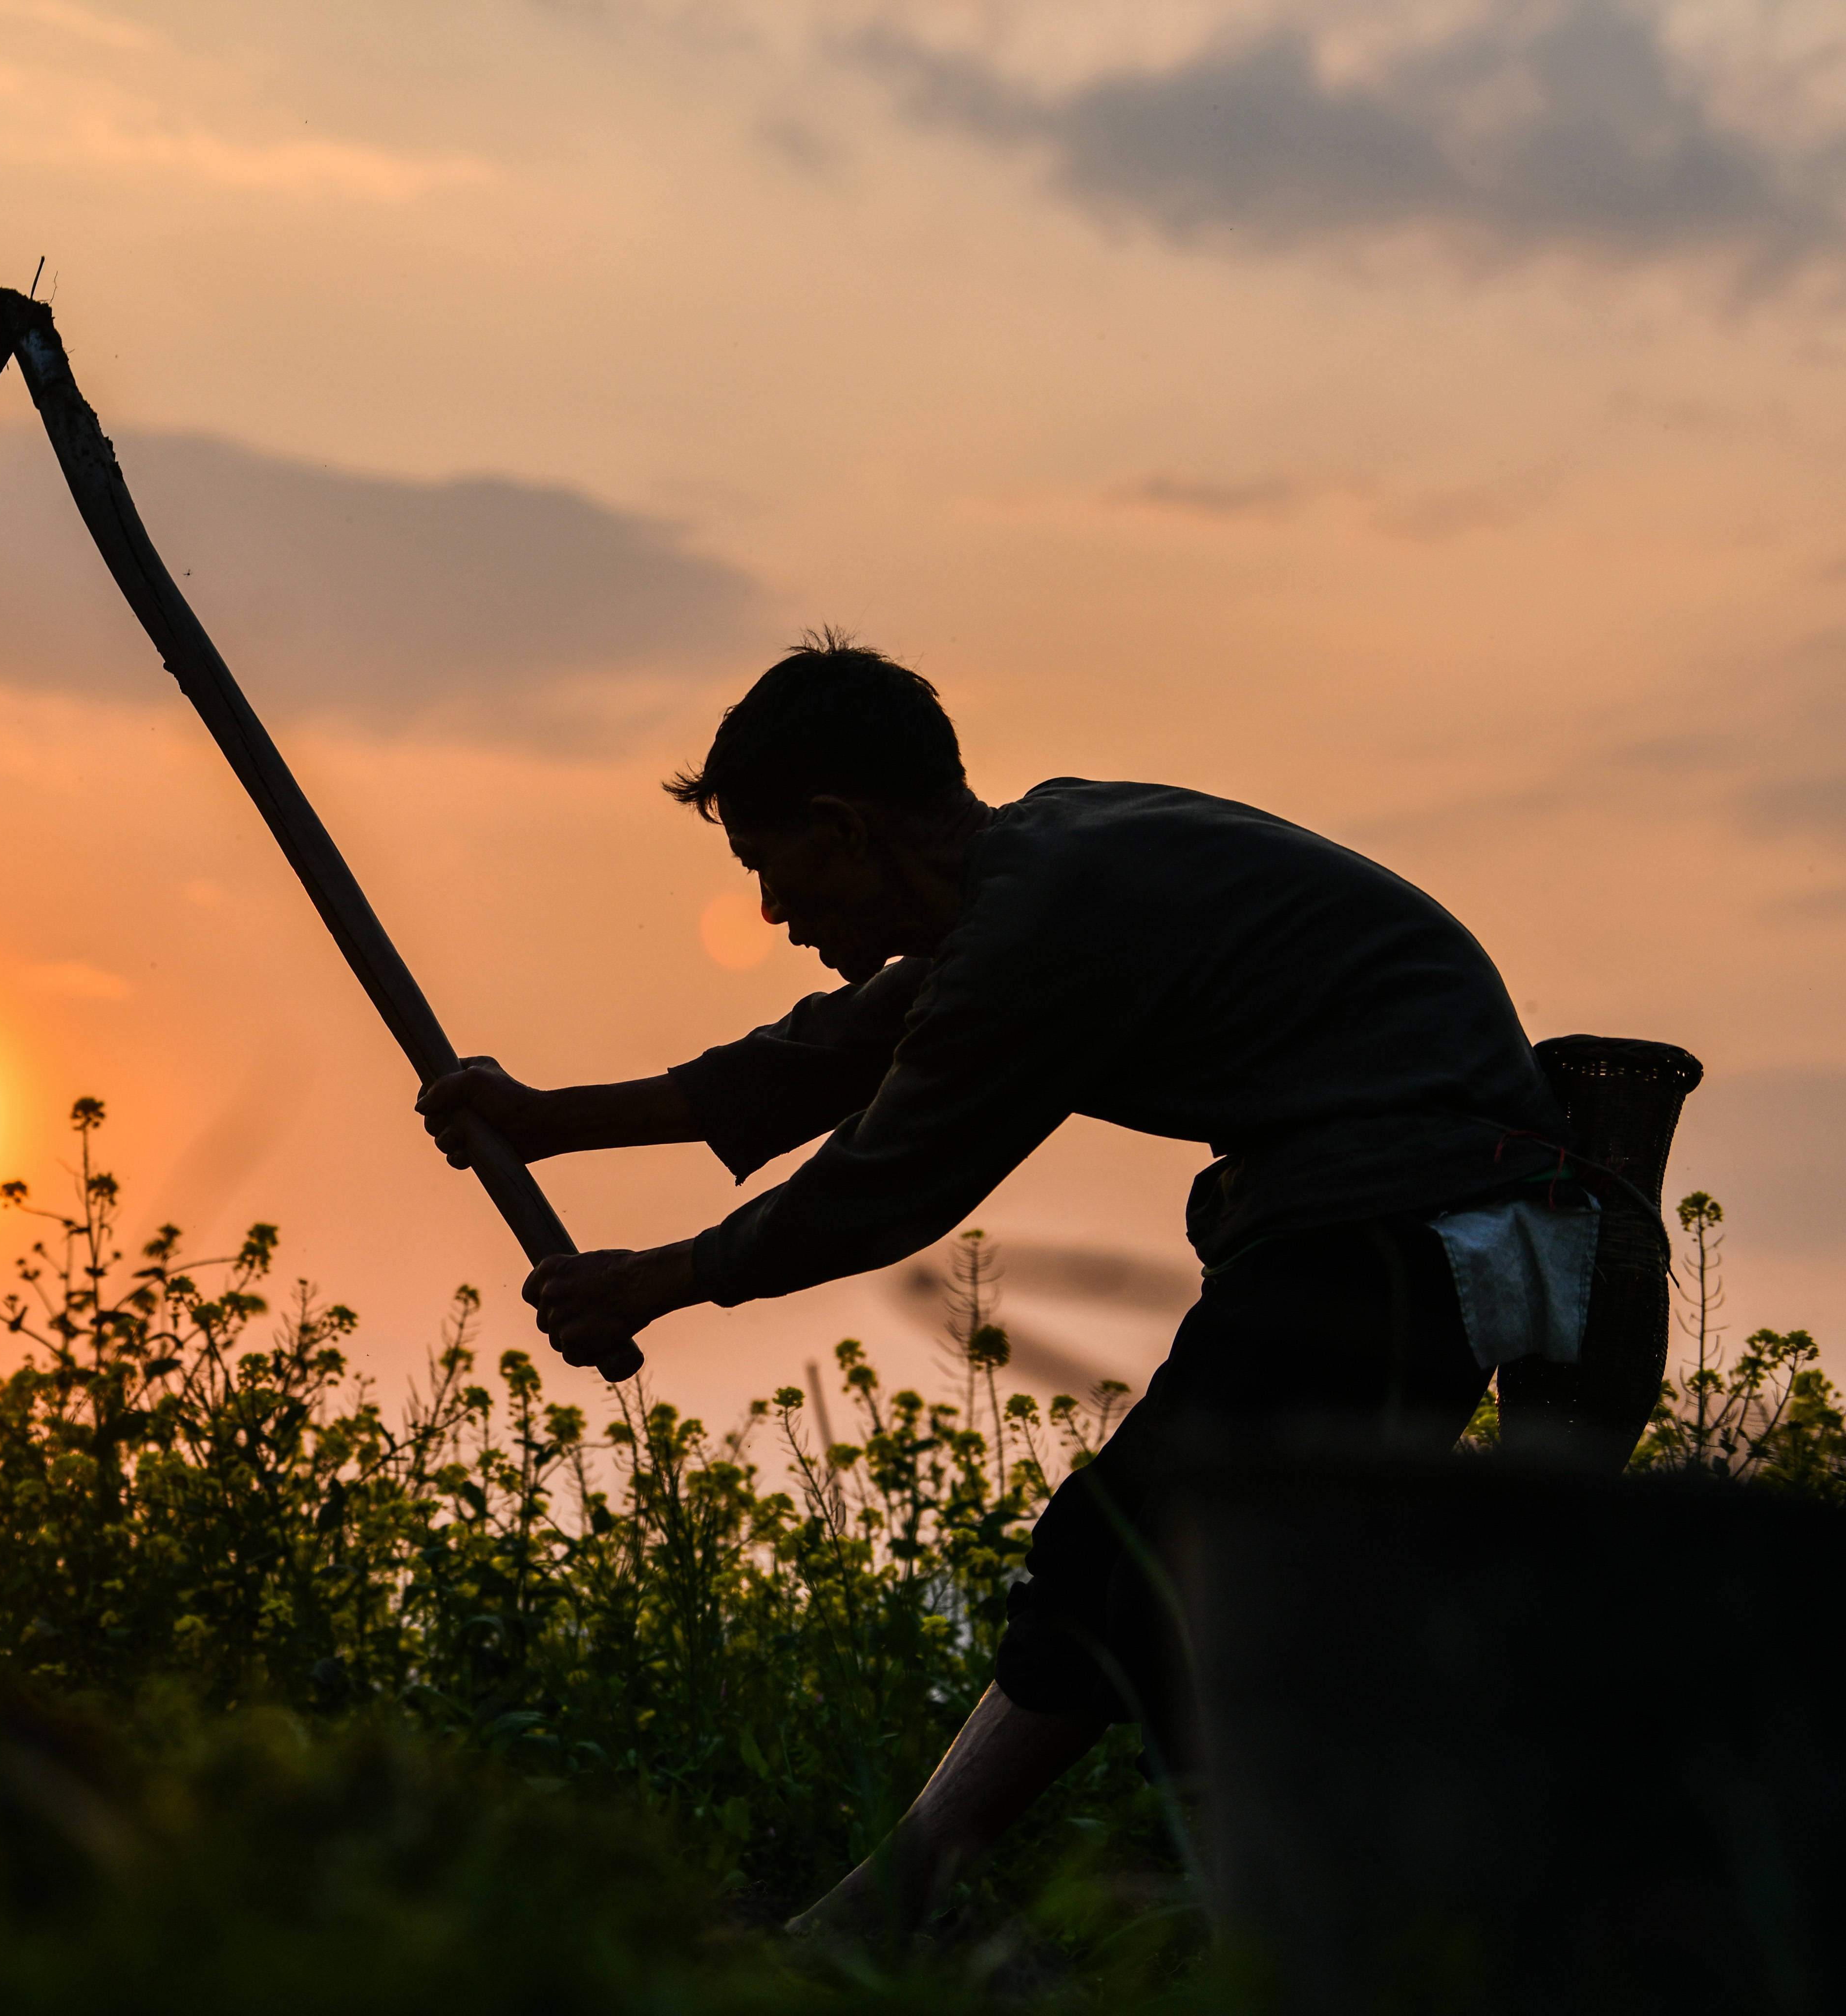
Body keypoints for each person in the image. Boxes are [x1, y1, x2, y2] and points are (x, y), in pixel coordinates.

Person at [415, 634, 1592, 1942]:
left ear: (840, 827)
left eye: (766, 868)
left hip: (1418, 1228)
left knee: (1157, 1561)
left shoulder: (1047, 914)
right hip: (1366, 1228)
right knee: (1173, 1586)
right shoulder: (1036, 873)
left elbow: (891, 1174)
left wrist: (658, 1281)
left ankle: (913, 1911)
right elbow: (835, 1054)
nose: (769, 913)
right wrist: (547, 1120)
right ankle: (1233, 1928)